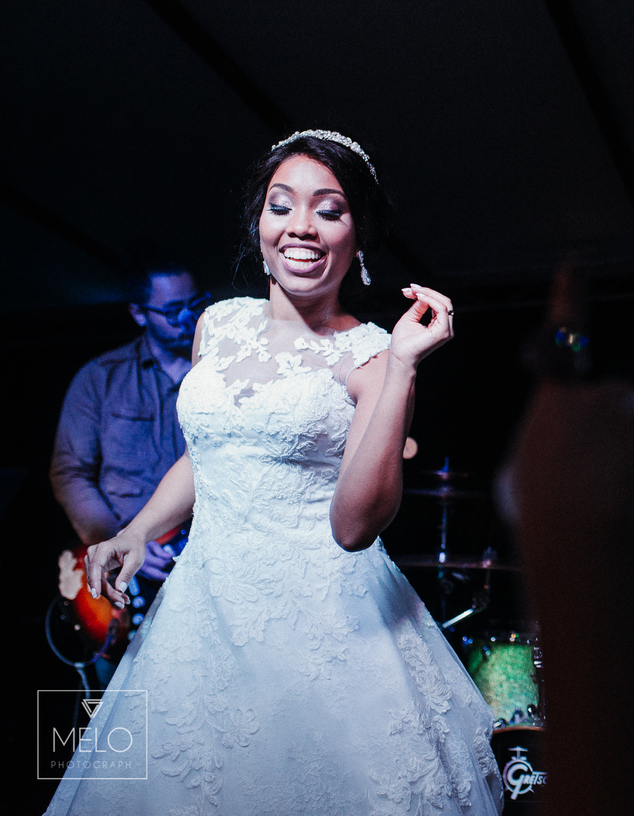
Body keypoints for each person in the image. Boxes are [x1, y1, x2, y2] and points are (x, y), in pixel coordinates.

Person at [45, 130, 502, 815]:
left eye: (329, 210)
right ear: (259, 223)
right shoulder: (217, 325)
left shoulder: (374, 355)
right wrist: (135, 533)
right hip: (202, 612)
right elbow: (210, 455)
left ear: (358, 235)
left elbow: (355, 527)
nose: (301, 227)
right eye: (281, 205)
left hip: (324, 625)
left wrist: (404, 368)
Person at [49, 249, 204, 680]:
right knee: (125, 701)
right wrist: (117, 543)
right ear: (138, 313)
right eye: (172, 310)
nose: (187, 318)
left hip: (207, 564)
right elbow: (69, 472)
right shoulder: (99, 378)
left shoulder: (222, 376)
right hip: (126, 579)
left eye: (195, 304)